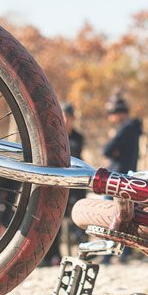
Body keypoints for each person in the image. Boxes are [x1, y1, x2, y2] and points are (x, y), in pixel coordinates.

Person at [45, 102, 87, 265]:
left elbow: (74, 154)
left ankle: (82, 250)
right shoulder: (52, 136)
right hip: (58, 184)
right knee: (54, 220)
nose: (64, 120)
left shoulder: (77, 137)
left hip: (74, 186)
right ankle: (53, 256)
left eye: (67, 117)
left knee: (79, 219)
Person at [102, 91, 142, 174]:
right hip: (129, 173)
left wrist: (112, 137)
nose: (110, 117)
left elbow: (106, 150)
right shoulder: (134, 127)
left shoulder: (125, 128)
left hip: (119, 175)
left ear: (119, 112)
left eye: (111, 113)